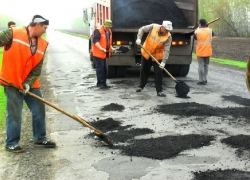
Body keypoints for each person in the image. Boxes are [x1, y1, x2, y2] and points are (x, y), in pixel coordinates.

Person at [0, 15, 56, 153]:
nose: (45, 31)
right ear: (37, 25)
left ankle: (40, 138)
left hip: (30, 83)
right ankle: (11, 143)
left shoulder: (42, 44)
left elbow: (37, 69)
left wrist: (28, 84)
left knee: (39, 109)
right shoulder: (13, 33)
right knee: (14, 113)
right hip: (12, 81)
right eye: (44, 28)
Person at [135, 21, 173, 97]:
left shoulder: (168, 36)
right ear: (162, 27)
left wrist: (164, 62)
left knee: (158, 72)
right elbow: (142, 29)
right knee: (144, 70)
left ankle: (159, 91)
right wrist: (139, 38)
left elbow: (167, 50)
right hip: (147, 52)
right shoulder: (153, 27)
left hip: (157, 56)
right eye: (166, 29)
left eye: (169, 30)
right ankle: (141, 86)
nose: (168, 31)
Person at [92, 19, 115, 88]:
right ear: (104, 25)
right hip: (99, 53)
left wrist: (111, 48)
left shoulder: (109, 31)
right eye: (107, 27)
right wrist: (101, 48)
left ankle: (104, 84)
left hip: (104, 54)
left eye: (109, 27)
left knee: (104, 69)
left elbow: (108, 42)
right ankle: (100, 84)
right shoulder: (98, 30)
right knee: (100, 69)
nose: (108, 28)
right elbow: (95, 41)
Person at [194, 18, 214, 85]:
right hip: (208, 51)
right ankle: (205, 79)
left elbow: (194, 37)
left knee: (201, 66)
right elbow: (212, 34)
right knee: (206, 66)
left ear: (200, 24)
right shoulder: (210, 30)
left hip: (200, 51)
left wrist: (197, 29)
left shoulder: (197, 31)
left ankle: (201, 80)